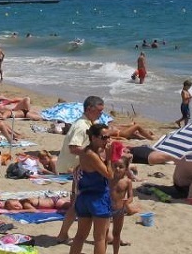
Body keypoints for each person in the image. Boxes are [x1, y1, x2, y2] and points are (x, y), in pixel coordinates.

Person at [56, 96, 105, 243]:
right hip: (78, 169)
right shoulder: (82, 126)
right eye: (99, 111)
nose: (101, 114)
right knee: (77, 203)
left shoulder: (89, 123)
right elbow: (74, 147)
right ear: (90, 109)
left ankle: (63, 234)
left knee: (77, 203)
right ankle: (63, 234)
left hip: (80, 168)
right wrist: (92, 155)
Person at [69, 124, 113, 254]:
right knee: (100, 237)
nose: (107, 140)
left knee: (80, 235)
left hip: (84, 198)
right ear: (93, 138)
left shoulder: (86, 152)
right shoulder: (91, 155)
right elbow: (109, 175)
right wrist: (109, 158)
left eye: (108, 137)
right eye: (104, 137)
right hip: (97, 198)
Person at [109, 157, 137, 254]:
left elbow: (131, 196)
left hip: (119, 210)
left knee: (116, 234)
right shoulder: (109, 178)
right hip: (107, 209)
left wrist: (127, 202)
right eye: (115, 166)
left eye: (121, 167)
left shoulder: (127, 181)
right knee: (104, 234)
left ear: (126, 169)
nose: (117, 169)